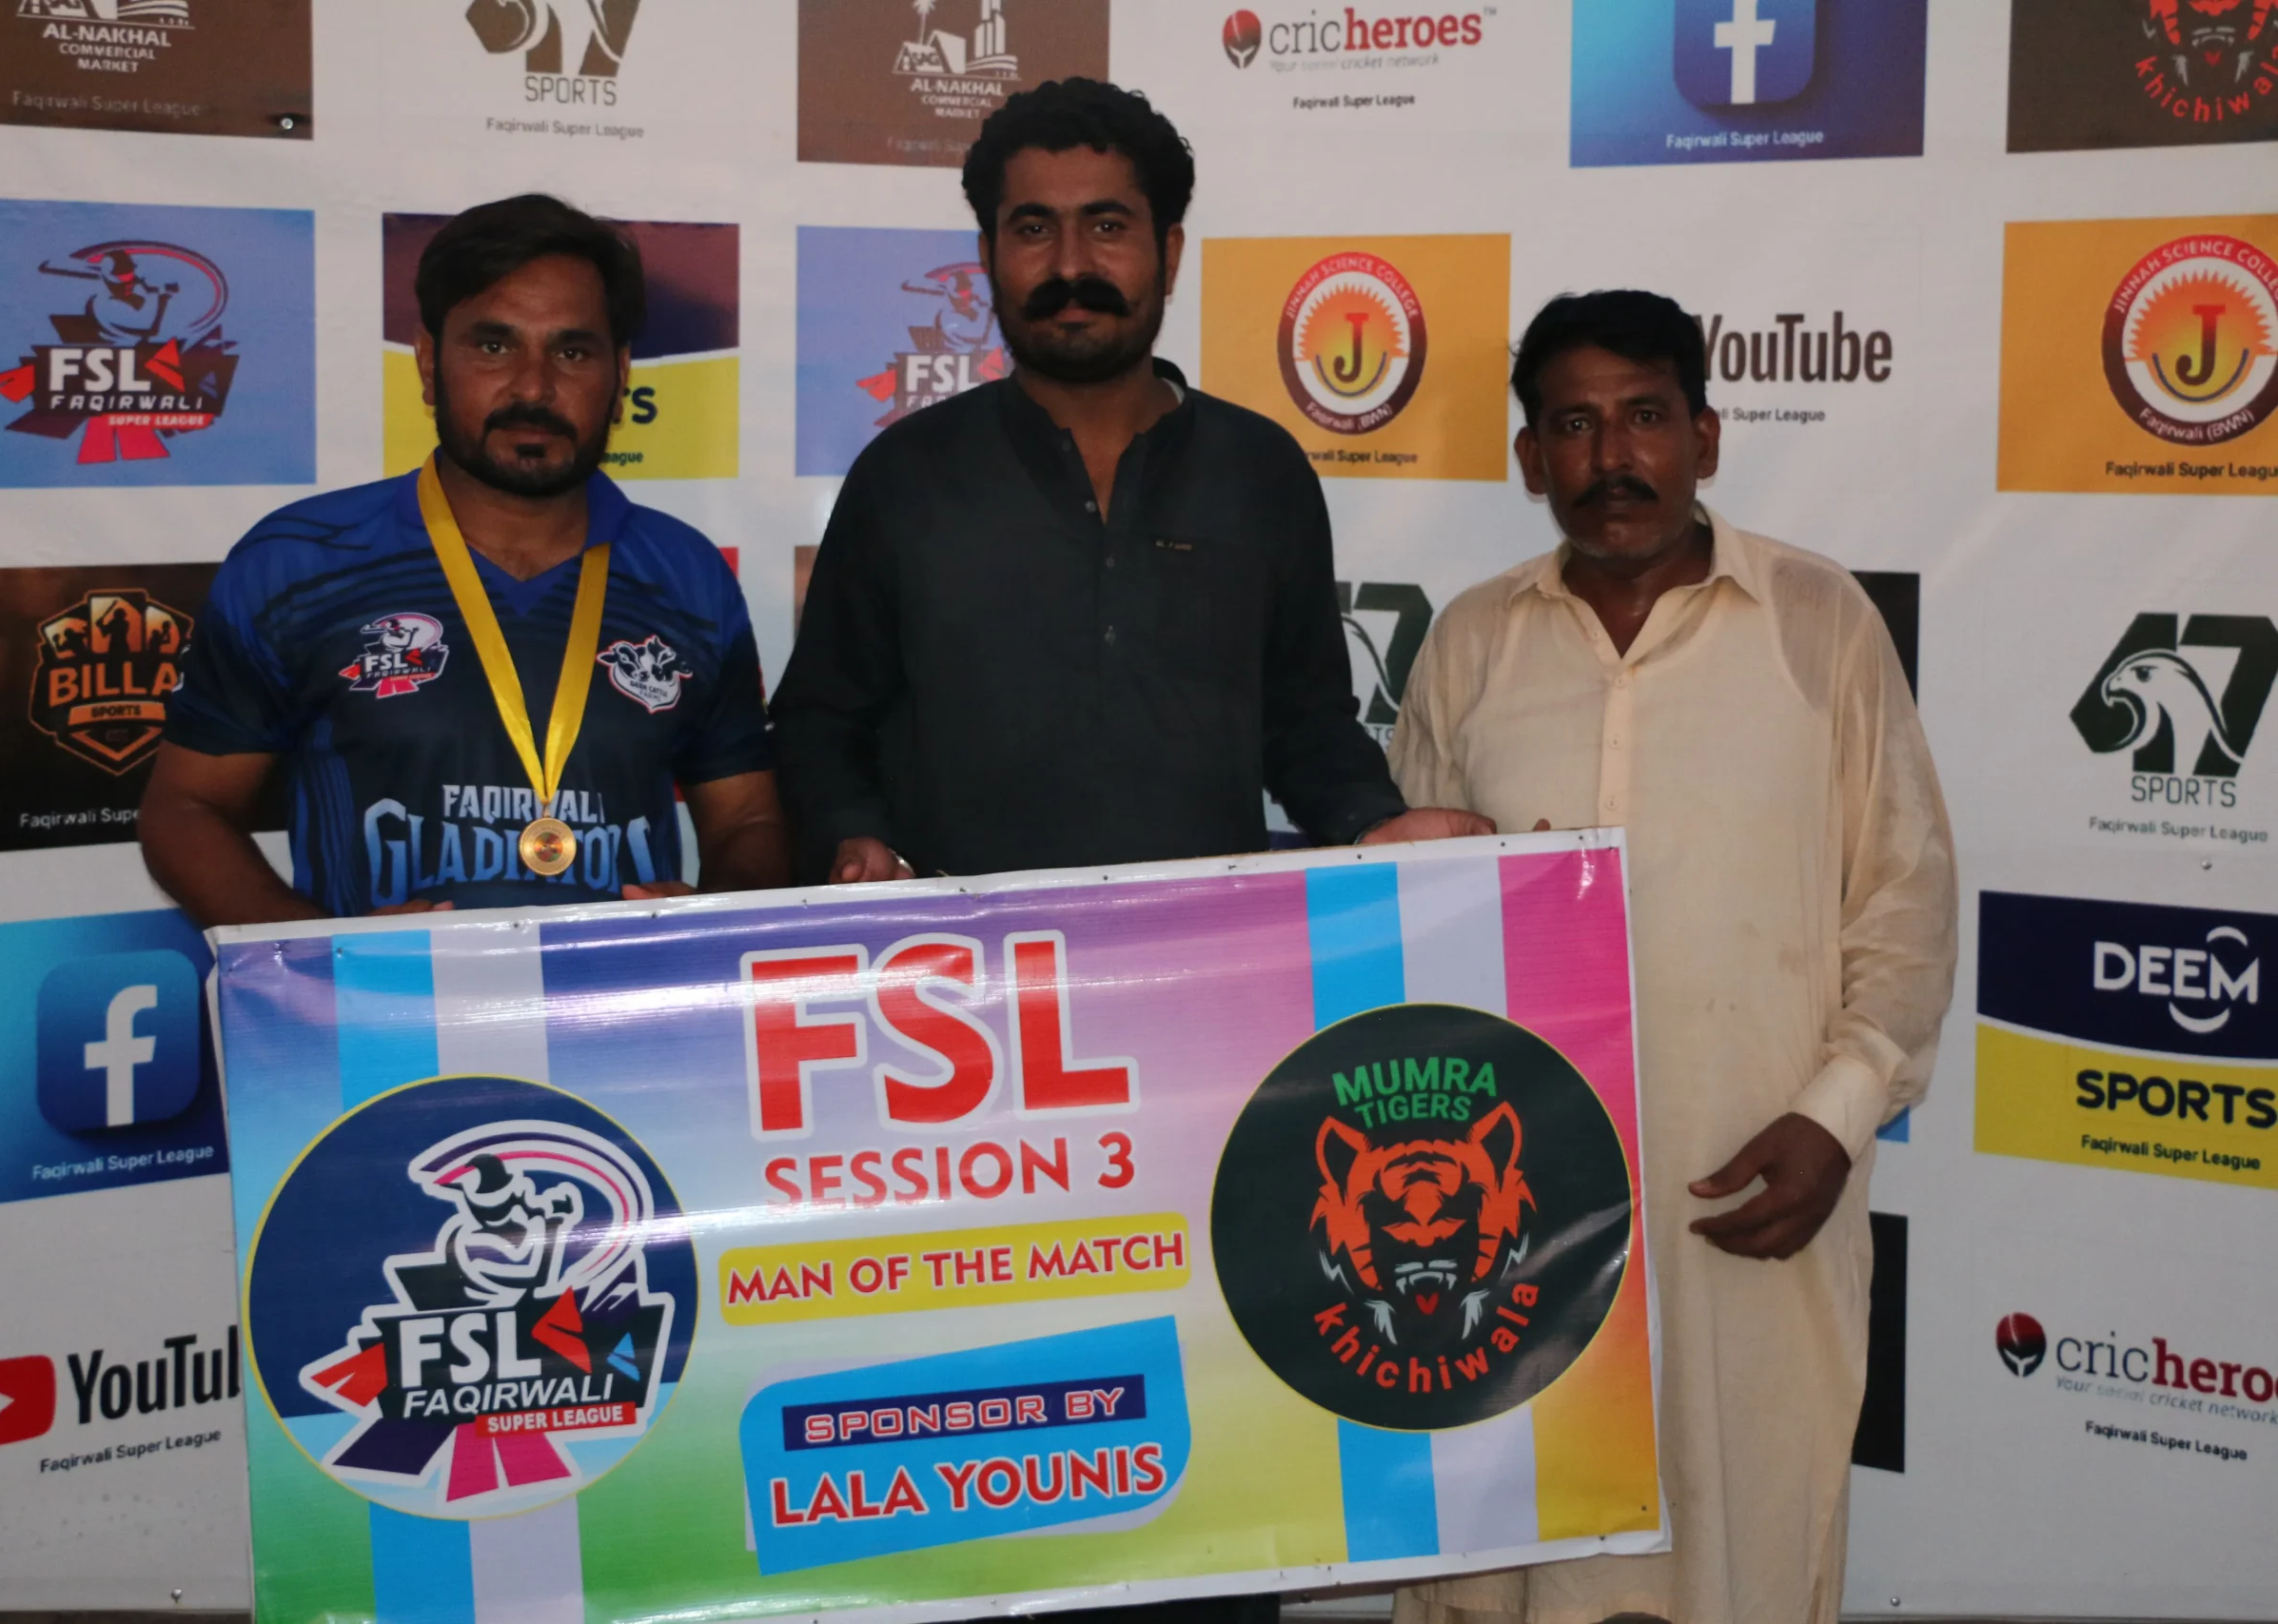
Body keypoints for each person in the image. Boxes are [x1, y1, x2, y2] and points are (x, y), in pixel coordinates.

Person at [1385, 290, 1957, 1624]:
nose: (1610, 457)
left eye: (1644, 416)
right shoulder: (1472, 638)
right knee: (1500, 1568)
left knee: (1738, 1548)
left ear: (1704, 434)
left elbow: (1908, 895)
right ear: (1530, 458)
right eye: (1572, 426)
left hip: (1747, 1184)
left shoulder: (1818, 621)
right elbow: (1402, 915)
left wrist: (1836, 1116)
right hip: (1503, 1217)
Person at [770, 78, 1480, 885]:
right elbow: (820, 721)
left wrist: (1373, 820)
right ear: (988, 256)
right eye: (1033, 228)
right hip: (966, 954)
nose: (1071, 264)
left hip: (1199, 947)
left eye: (1107, 226)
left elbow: (1304, 721)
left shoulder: (1262, 471)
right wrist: (853, 837)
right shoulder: (904, 476)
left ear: (1169, 255)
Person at [139, 194, 789, 927]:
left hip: (622, 998)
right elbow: (186, 807)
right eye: (494, 346)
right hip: (381, 999)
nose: (534, 387)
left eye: (572, 352)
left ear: (620, 375)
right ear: (428, 362)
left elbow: (747, 819)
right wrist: (321, 956)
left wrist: (710, 919)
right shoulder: (297, 562)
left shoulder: (688, 577)